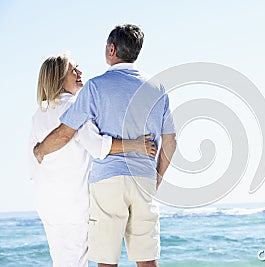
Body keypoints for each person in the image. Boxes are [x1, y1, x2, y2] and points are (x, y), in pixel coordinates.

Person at [33, 24, 177, 267]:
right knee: (147, 260)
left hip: (107, 182)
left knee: (106, 261)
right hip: (143, 179)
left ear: (111, 49)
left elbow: (66, 132)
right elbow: (171, 142)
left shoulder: (95, 86)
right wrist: (156, 178)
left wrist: (40, 149)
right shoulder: (157, 88)